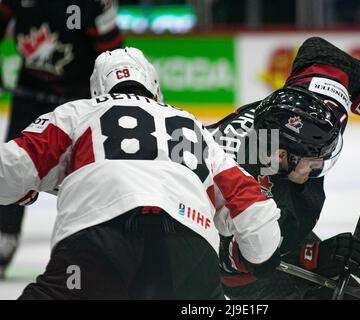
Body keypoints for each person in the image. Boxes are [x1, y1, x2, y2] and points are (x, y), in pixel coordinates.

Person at [0, 47, 281, 299]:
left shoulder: (76, 113)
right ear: (154, 85)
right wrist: (261, 258)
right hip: (186, 249)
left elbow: (10, 169)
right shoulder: (192, 127)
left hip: (97, 239)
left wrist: (27, 190)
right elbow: (251, 202)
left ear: (97, 88)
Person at [209, 37, 360, 299]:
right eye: (315, 158)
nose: (321, 162)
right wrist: (314, 257)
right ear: (281, 156)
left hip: (271, 218)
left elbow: (318, 52)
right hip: (233, 263)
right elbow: (234, 258)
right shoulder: (241, 183)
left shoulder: (309, 115)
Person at [0, 0, 123, 278]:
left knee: (88, 176)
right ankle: (4, 236)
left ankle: (94, 247)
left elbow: (113, 55)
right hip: (29, 89)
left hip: (79, 97)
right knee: (15, 163)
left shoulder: (93, 4)